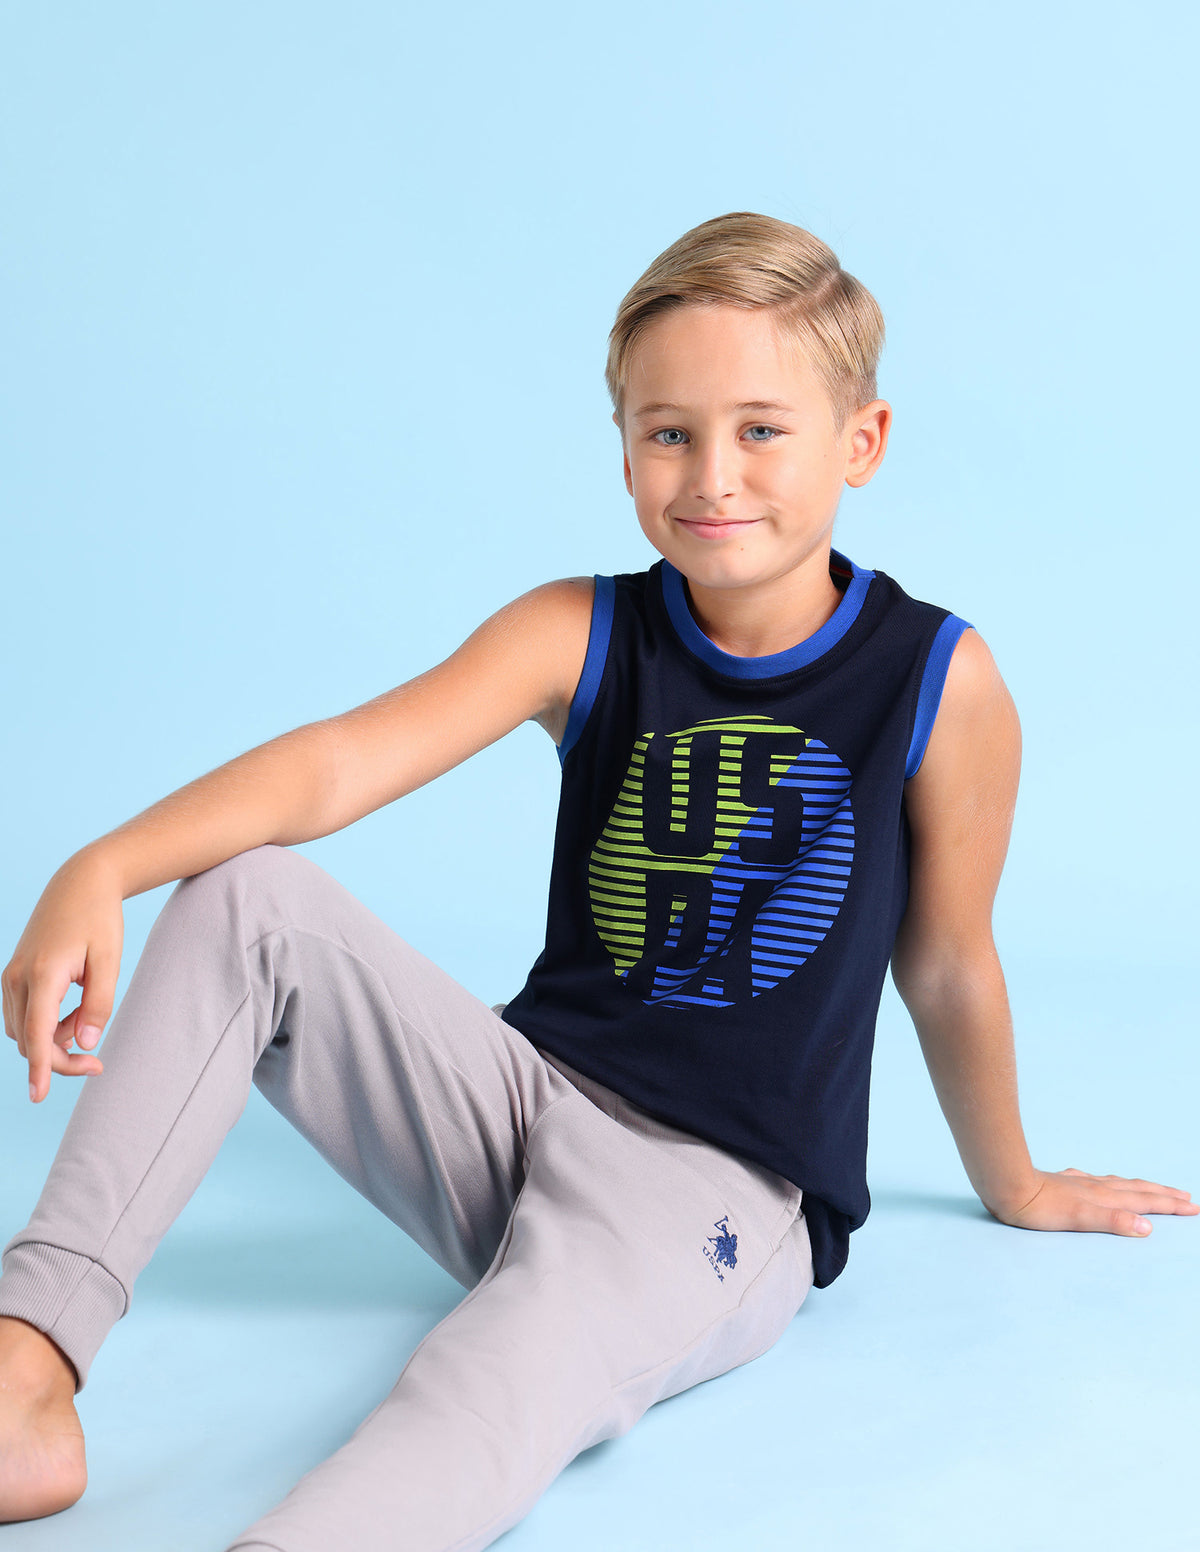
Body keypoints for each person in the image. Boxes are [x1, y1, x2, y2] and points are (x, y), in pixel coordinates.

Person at [0, 211, 1194, 1550]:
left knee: (500, 1372)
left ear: (861, 442)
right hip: (519, 1102)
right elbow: (338, 765)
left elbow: (948, 959)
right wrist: (102, 864)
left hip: (712, 1189)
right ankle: (29, 1371)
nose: (712, 475)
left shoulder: (936, 680)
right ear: (625, 447)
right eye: (668, 432)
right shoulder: (583, 629)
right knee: (242, 896)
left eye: (762, 429)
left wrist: (1015, 1181)